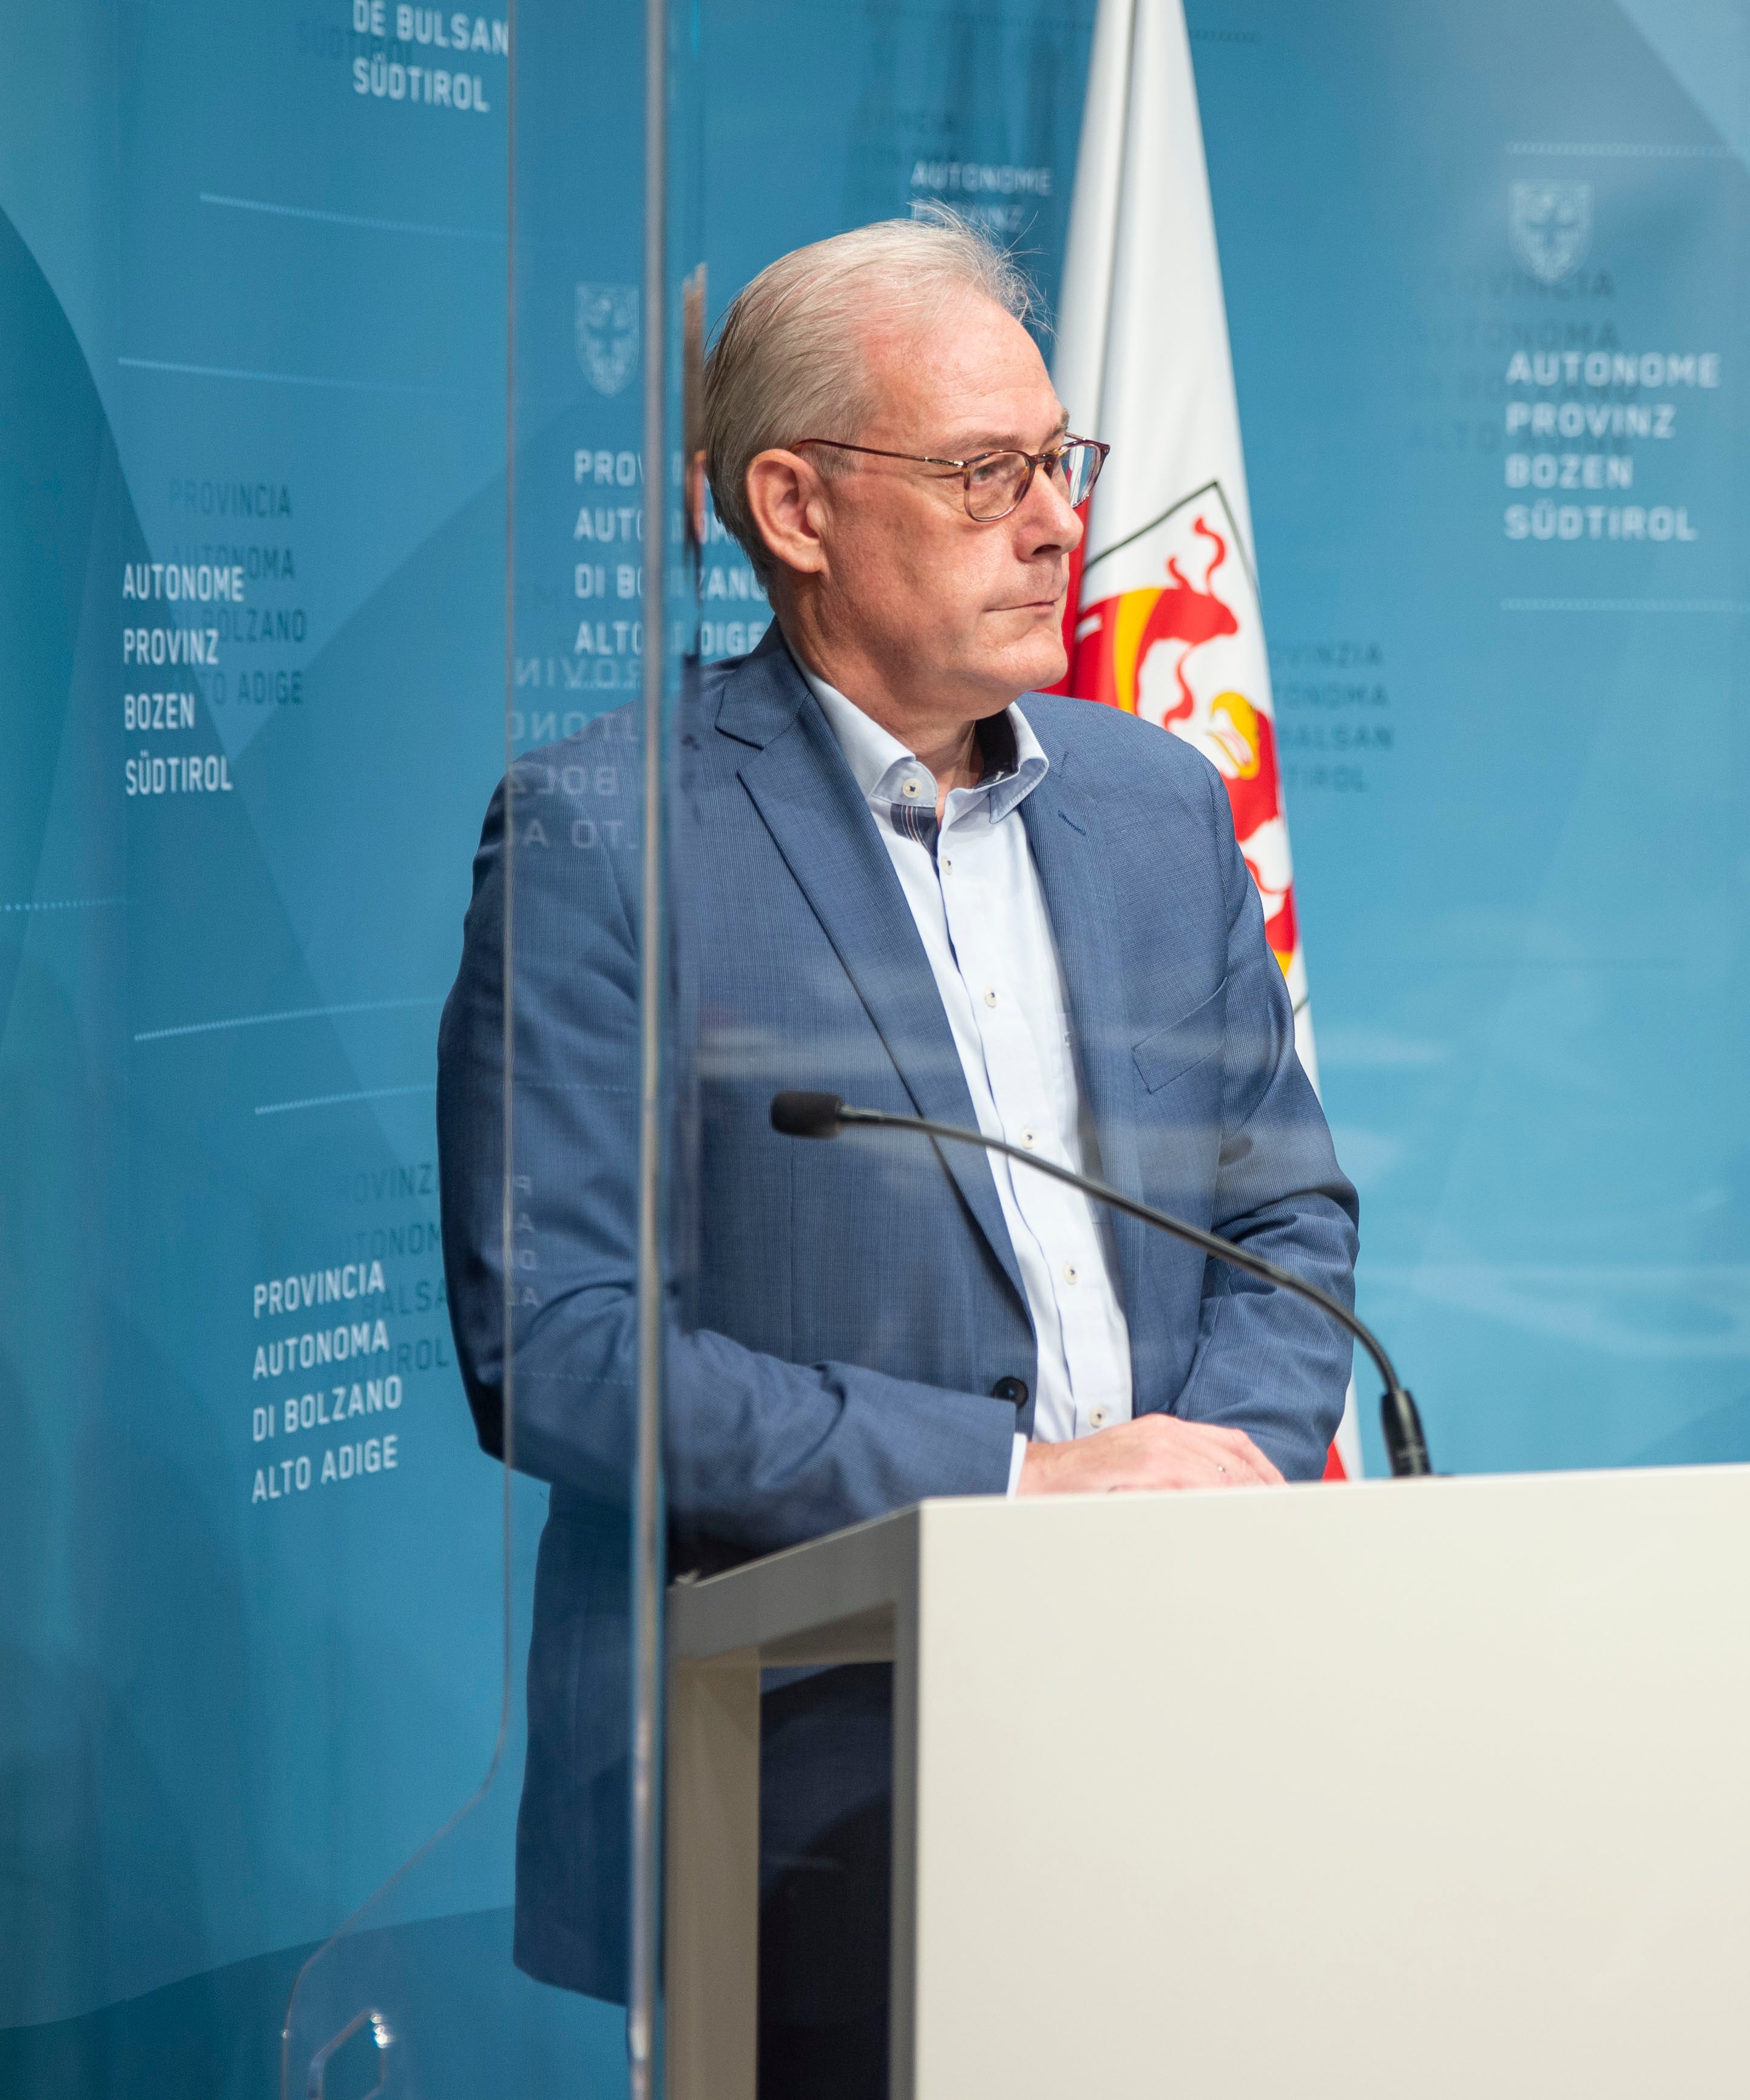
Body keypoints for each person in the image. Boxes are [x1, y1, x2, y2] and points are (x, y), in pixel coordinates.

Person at [436, 214, 1357, 2096]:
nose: (1058, 523)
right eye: (985, 473)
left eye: (1061, 463)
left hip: (1191, 1706)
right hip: (812, 1769)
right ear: (796, 506)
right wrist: (1020, 1488)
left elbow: (1284, 1213)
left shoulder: (1157, 807)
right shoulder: (610, 837)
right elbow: (558, 1348)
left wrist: (1205, 1484)